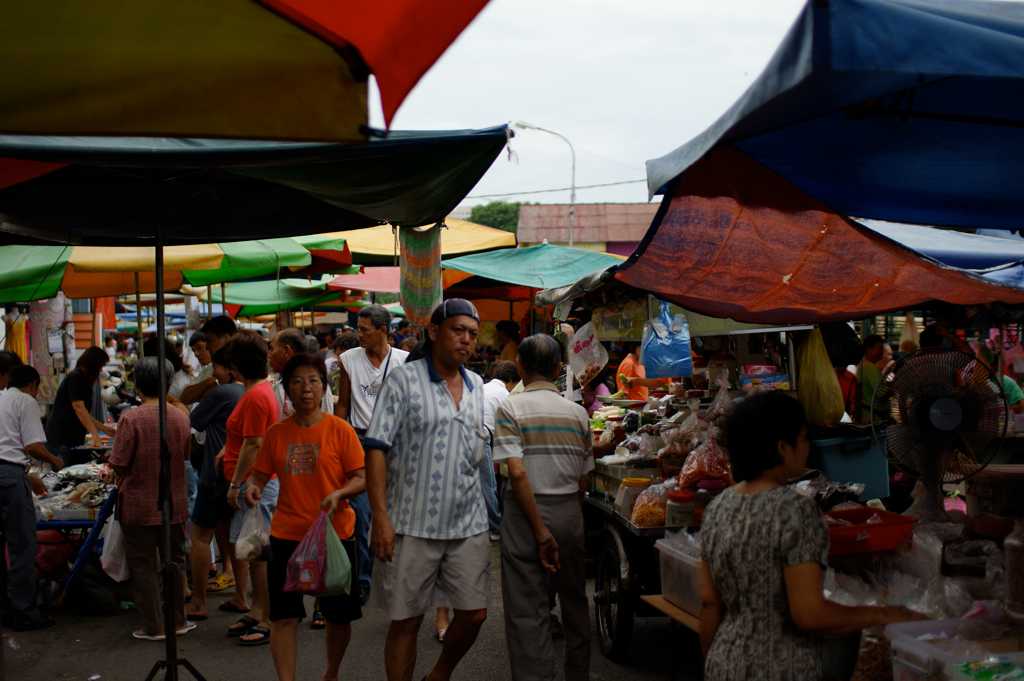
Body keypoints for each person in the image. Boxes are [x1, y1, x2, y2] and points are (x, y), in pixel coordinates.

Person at [699, 391, 923, 681]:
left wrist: (715, 660)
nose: (808, 447)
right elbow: (810, 614)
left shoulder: (717, 508)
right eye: (803, 438)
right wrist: (883, 614)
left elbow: (708, 602)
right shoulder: (796, 510)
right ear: (782, 447)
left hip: (723, 663)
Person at [365, 299, 490, 681]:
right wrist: (381, 517)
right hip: (411, 523)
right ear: (434, 332)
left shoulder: (477, 385)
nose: (466, 340)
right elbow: (376, 448)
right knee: (405, 620)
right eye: (458, 330)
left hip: (468, 523)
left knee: (475, 613)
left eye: (472, 333)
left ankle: (439, 673)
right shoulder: (404, 380)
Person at [247, 353, 366, 681]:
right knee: (284, 617)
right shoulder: (276, 434)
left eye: (313, 381)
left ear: (323, 387)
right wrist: (253, 487)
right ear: (286, 389)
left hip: (335, 535)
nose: (306, 388)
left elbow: (361, 476)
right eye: (297, 381)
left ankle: (331, 673)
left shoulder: (340, 430)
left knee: (337, 617)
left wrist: (339, 494)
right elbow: (259, 475)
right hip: (287, 536)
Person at [493, 335, 593, 681]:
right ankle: (577, 673)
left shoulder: (510, 408)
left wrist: (538, 529)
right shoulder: (579, 413)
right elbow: (583, 480)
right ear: (557, 368)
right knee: (575, 600)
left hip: (526, 514)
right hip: (569, 512)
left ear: (519, 366)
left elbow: (516, 473)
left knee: (527, 608)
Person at [107, 357, 196, 641]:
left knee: (143, 565)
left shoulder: (131, 418)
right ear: (168, 383)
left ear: (138, 384)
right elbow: (186, 455)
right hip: (175, 503)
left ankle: (153, 626)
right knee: (176, 561)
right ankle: (178, 620)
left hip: (139, 505)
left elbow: (119, 463)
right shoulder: (180, 416)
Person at [335, 305, 409, 606]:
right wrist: (339, 441)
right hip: (360, 440)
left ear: (383, 330)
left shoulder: (404, 361)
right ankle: (362, 580)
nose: (359, 335)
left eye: (364, 329)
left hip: (396, 441)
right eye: (359, 329)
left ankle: (399, 576)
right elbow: (343, 403)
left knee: (398, 511)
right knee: (362, 514)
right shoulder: (347, 360)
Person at [221, 332, 281, 646]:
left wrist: (236, 484)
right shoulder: (258, 391)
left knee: (258, 554)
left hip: (255, 485)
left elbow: (254, 443)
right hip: (254, 483)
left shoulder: (258, 395)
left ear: (237, 367)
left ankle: (267, 616)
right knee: (253, 552)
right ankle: (258, 610)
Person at [0, 365, 63, 631]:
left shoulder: (1, 397)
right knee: (23, 546)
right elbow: (31, 446)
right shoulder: (25, 401)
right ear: (33, 384)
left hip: (11, 473)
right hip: (9, 479)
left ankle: (7, 607)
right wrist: (55, 460)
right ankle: (24, 612)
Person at [186, 346, 245, 621]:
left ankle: (198, 602)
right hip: (237, 474)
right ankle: (242, 597)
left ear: (228, 370)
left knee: (199, 537)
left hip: (215, 474)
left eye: (217, 369)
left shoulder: (222, 392)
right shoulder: (250, 392)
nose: (214, 373)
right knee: (234, 537)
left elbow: (192, 420)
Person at [45, 346, 115, 460]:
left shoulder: (82, 378)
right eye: (101, 366)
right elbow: (79, 409)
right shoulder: (76, 377)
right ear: (94, 364)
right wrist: (95, 435)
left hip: (72, 436)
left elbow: (85, 413)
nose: (101, 370)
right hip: (62, 437)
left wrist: (105, 429)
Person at [269, 328, 335, 415]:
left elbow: (327, 422)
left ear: (286, 351)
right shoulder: (278, 385)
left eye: (272, 349)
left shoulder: (318, 385)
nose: (269, 354)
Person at [181, 317, 237, 405]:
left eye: (210, 341)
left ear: (226, 338)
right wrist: (209, 382)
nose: (207, 347)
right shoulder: (210, 370)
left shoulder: (243, 369)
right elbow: (184, 398)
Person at [857, 335, 885, 423]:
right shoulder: (869, 367)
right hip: (873, 417)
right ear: (869, 349)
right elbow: (881, 393)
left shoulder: (861, 364)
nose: (882, 352)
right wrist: (892, 387)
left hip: (866, 414)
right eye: (879, 348)